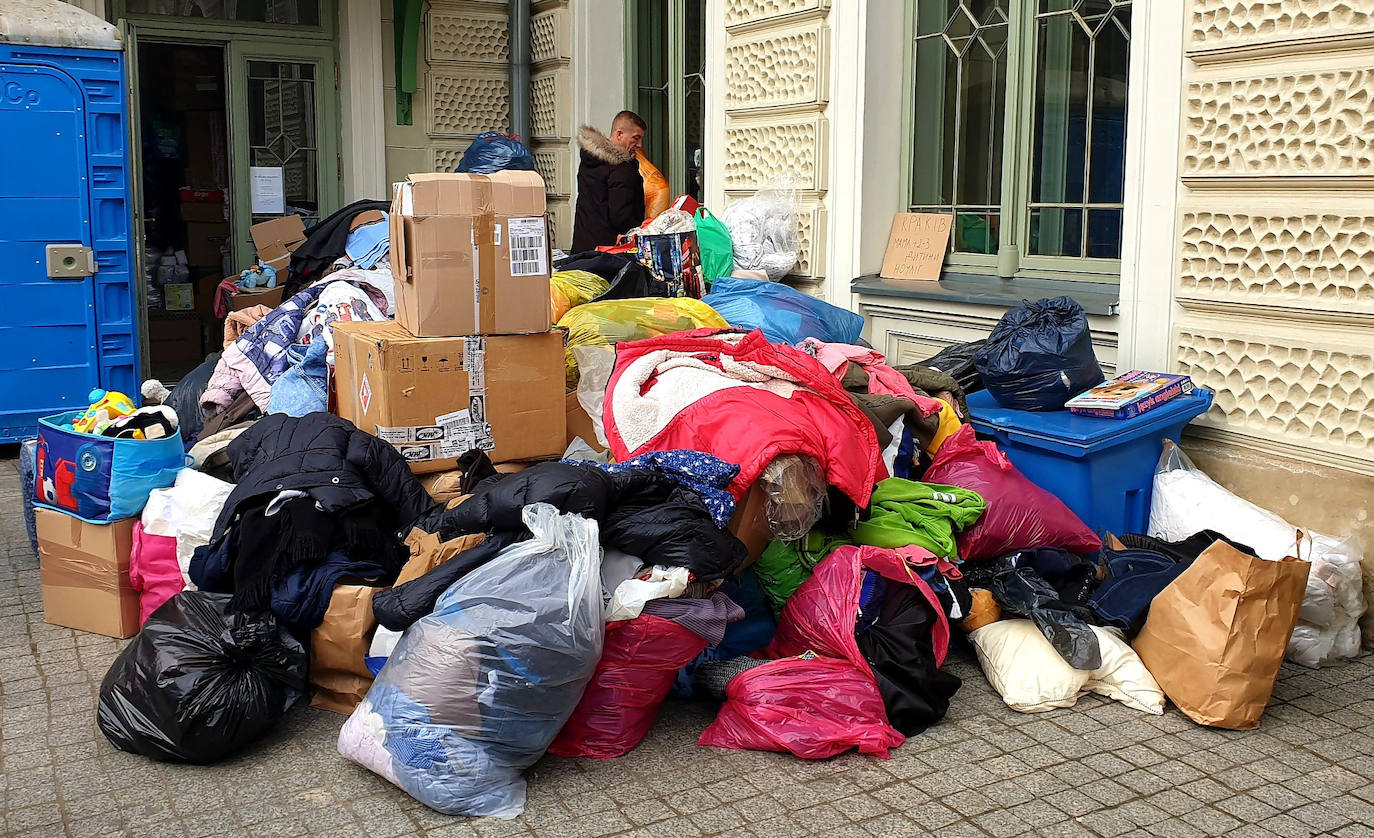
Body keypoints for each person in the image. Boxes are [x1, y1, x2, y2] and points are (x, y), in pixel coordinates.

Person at [572, 111, 647, 253]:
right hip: (610, 253)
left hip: (582, 248)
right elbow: (621, 218)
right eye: (636, 138)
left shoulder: (590, 161)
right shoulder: (622, 170)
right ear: (619, 134)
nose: (639, 145)